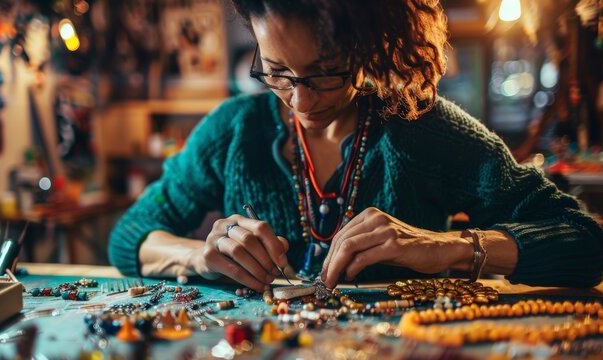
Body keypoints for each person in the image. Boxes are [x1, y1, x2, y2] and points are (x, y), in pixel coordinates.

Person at [108, 0, 602, 292]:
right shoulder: (233, 130)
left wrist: (447, 248)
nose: (300, 99)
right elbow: (131, 234)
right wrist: (199, 256)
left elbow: (584, 240)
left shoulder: (422, 130)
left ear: (369, 47)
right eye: (277, 72)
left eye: (324, 72)